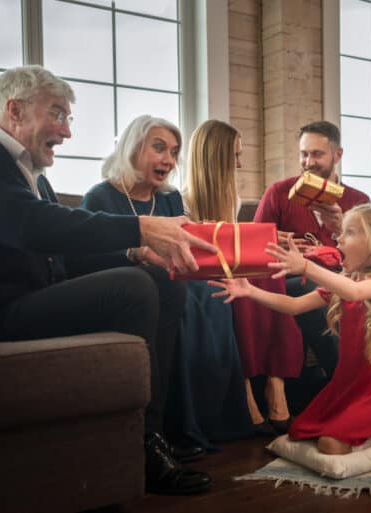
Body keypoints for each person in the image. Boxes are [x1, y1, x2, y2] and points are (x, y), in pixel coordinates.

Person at [0, 65, 216, 495]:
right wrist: (139, 229)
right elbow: (29, 225)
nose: (66, 132)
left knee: (158, 278)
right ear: (15, 110)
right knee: (135, 287)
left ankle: (152, 437)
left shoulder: (31, 175)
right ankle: (142, 444)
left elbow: (60, 256)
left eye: (69, 118)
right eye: (58, 115)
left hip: (23, 301)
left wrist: (134, 253)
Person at [79, 116, 252, 451]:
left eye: (174, 152)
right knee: (186, 294)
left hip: (180, 282)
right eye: (159, 148)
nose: (169, 160)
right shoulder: (99, 198)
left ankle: (209, 419)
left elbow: (190, 249)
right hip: (138, 289)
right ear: (132, 147)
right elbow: (83, 261)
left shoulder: (171, 199)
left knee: (216, 291)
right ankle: (177, 426)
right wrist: (138, 253)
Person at [211, 205, 371, 455]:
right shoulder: (347, 281)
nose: (339, 238)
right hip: (349, 388)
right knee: (299, 431)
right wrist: (250, 291)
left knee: (329, 445)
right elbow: (294, 306)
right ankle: (368, 431)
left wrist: (306, 266)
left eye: (349, 233)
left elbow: (356, 293)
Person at [249, 121, 371, 390]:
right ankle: (352, 387)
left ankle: (354, 385)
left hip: (342, 277)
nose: (308, 162)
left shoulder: (358, 200)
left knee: (338, 291)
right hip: (293, 278)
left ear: (337, 155)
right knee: (312, 288)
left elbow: (369, 260)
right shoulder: (279, 193)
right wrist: (279, 243)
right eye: (304, 154)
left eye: (317, 154)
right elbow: (253, 247)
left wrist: (341, 228)